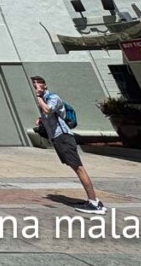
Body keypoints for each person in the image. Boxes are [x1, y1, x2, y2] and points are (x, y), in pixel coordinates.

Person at [31, 75, 106, 214]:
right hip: (58, 138)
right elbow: (49, 114)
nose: (36, 87)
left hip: (63, 137)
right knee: (76, 167)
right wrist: (41, 119)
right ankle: (93, 200)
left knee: (78, 168)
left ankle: (94, 203)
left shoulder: (53, 97)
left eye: (38, 84)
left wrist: (39, 97)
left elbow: (48, 110)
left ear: (45, 86)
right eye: (34, 85)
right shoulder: (45, 100)